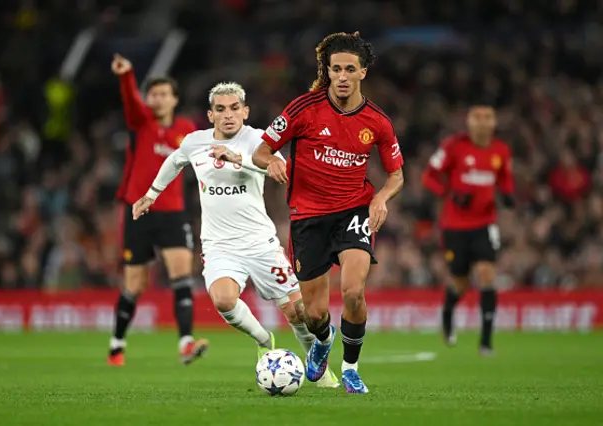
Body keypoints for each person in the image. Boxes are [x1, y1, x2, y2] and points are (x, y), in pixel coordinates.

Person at [132, 82, 339, 388]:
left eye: (233, 108)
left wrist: (238, 159)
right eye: (220, 109)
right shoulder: (195, 142)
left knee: (298, 312)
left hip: (260, 242)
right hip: (219, 245)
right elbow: (174, 161)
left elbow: (280, 167)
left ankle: (321, 372)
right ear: (210, 115)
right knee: (224, 300)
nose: (227, 115)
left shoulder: (258, 139)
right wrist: (151, 194)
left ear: (245, 112)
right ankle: (263, 339)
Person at [252, 32, 404, 394]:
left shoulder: (378, 122)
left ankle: (350, 368)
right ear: (328, 71)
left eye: (350, 69)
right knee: (314, 314)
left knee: (353, 292)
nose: (342, 76)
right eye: (336, 69)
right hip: (307, 217)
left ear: (362, 73)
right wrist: (271, 160)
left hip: (353, 210)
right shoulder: (303, 109)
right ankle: (323, 340)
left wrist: (381, 198)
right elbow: (261, 151)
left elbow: (397, 175)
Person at [108, 54, 208, 366]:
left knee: (182, 276)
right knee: (135, 285)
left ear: (174, 99)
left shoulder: (187, 129)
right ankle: (116, 345)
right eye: (153, 94)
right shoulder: (140, 122)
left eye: (164, 94)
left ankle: (186, 344)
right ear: (147, 99)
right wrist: (127, 76)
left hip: (173, 212)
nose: (158, 99)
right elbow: (130, 102)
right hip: (138, 211)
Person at [421, 103, 515, 355]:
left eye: (488, 117)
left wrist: (507, 195)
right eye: (477, 117)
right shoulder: (453, 146)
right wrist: (449, 193)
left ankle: (485, 342)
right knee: (460, 283)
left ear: (494, 123)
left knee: (486, 275)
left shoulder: (501, 150)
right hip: (454, 226)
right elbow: (429, 176)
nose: (483, 122)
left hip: (484, 225)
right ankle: (448, 311)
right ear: (469, 122)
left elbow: (505, 179)